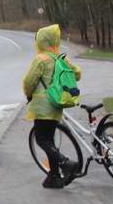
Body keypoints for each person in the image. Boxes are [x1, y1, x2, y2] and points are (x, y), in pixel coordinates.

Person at [22, 24, 82, 189]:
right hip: (57, 104)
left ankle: (65, 163)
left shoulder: (41, 59)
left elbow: (29, 82)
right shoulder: (61, 58)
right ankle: (54, 177)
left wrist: (27, 93)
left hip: (42, 107)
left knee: (42, 139)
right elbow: (77, 73)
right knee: (50, 140)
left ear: (41, 41)